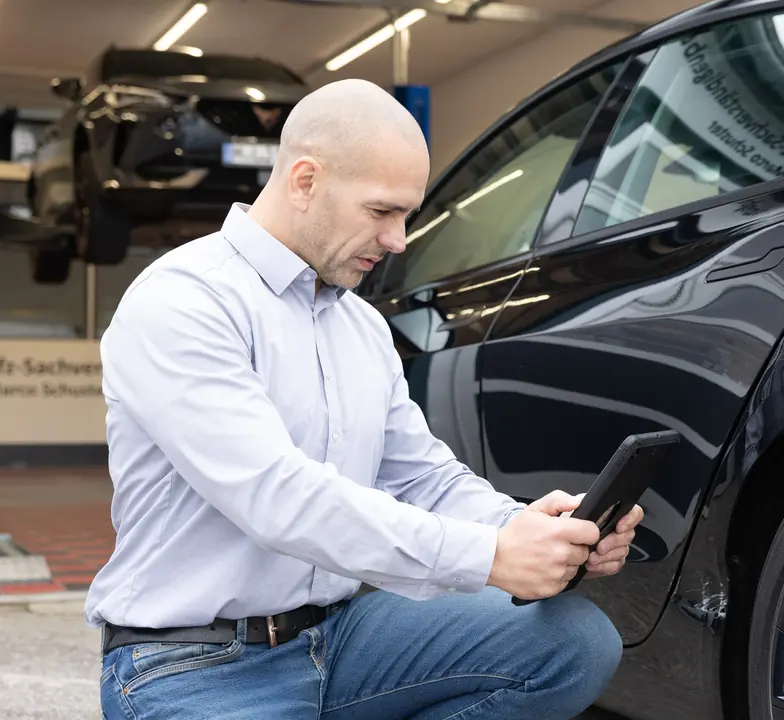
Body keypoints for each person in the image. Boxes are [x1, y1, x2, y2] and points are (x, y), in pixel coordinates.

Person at [86, 78, 641, 719]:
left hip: (342, 639)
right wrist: (489, 558)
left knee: (570, 643)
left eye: (406, 215)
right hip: (195, 665)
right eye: (382, 212)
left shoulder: (359, 324)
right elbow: (277, 497)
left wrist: (525, 529)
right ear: (304, 181)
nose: (400, 240)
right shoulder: (185, 300)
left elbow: (422, 476)